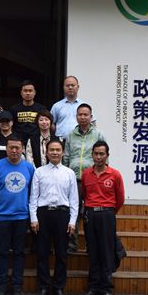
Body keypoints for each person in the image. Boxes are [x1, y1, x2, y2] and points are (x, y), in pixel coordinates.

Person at [29, 139, 78, 295]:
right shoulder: (39, 172)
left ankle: (58, 288)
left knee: (62, 253)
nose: (55, 152)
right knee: (42, 253)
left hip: (62, 215)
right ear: (46, 152)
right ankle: (43, 287)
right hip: (43, 215)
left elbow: (74, 200)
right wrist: (34, 218)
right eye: (52, 150)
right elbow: (33, 197)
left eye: (58, 150)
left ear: (62, 152)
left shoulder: (69, 173)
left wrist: (72, 221)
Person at [78, 141, 125, 295]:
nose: (98, 157)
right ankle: (93, 288)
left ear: (107, 156)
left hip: (107, 215)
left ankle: (106, 289)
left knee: (106, 252)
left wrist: (108, 213)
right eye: (96, 154)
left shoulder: (115, 175)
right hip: (90, 215)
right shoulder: (86, 174)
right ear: (92, 155)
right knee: (93, 251)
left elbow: (120, 199)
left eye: (102, 154)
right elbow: (84, 195)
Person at [0, 135, 35, 295]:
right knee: (2, 252)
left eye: (17, 148)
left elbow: (32, 193)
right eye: (11, 148)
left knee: (19, 252)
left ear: (22, 149)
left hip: (22, 217)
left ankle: (17, 285)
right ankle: (1, 285)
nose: (14, 151)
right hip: (2, 217)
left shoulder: (29, 168)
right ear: (6, 149)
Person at [63, 103, 106, 253]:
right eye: (80, 114)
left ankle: (91, 245)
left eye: (86, 114)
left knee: (91, 213)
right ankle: (72, 245)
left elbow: (104, 157)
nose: (83, 117)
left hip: (92, 179)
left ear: (91, 116)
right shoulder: (70, 135)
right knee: (72, 213)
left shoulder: (98, 134)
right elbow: (66, 157)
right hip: (73, 179)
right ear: (76, 117)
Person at [50, 76, 95, 140]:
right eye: (67, 85)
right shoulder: (56, 106)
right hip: (61, 142)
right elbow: (50, 123)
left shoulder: (84, 106)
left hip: (80, 141)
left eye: (72, 85)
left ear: (78, 87)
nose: (70, 87)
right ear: (63, 87)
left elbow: (92, 123)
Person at [10, 80, 46, 145]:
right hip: (18, 142)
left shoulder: (41, 109)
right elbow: (10, 125)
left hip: (36, 141)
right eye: (25, 91)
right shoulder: (14, 109)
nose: (28, 93)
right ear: (21, 93)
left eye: (30, 91)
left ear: (34, 92)